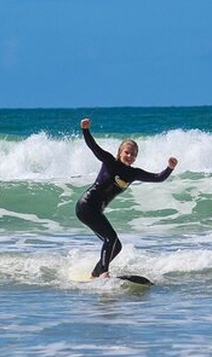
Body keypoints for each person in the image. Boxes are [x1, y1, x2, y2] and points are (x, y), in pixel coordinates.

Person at [76, 118, 178, 278]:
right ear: (120, 152)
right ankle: (103, 273)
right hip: (86, 205)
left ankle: (95, 274)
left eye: (133, 154)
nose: (130, 156)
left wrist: (170, 168)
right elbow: (94, 148)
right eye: (127, 152)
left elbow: (158, 178)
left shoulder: (133, 173)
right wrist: (85, 130)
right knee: (111, 239)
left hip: (96, 210)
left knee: (116, 246)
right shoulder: (110, 162)